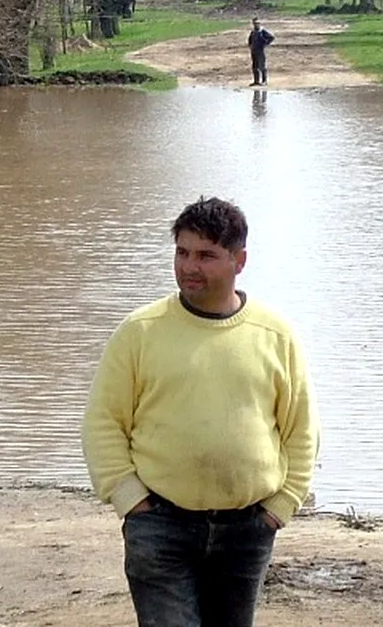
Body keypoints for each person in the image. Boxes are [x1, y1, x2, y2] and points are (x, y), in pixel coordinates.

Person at [81, 196, 320, 627]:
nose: (189, 267)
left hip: (247, 530)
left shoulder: (275, 335)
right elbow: (103, 423)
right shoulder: (139, 332)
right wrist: (129, 498)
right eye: (182, 252)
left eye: (206, 256)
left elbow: (301, 430)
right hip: (160, 525)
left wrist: (281, 506)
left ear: (239, 260)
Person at [247, 18, 274, 86]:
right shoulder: (253, 31)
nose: (255, 25)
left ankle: (264, 81)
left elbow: (271, 37)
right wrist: (250, 45)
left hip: (260, 51)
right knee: (255, 66)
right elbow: (250, 39)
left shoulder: (262, 31)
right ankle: (256, 81)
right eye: (254, 23)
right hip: (254, 51)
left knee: (262, 66)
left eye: (257, 23)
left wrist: (265, 44)